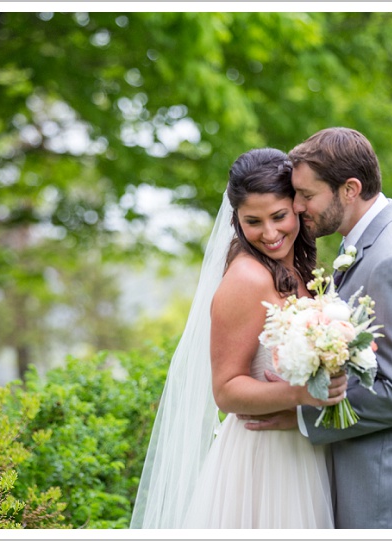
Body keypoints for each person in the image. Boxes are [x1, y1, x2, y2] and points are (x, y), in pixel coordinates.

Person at [242, 127, 392, 528]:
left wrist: (300, 412)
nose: (296, 207)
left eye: (307, 196)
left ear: (349, 189)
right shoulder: (371, 245)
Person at [130, 148, 347, 529]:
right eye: (253, 221)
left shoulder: (299, 268)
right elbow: (226, 390)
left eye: (279, 216)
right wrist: (301, 395)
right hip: (265, 462)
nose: (270, 233)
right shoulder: (246, 278)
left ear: (297, 205)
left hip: (304, 447)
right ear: (236, 221)